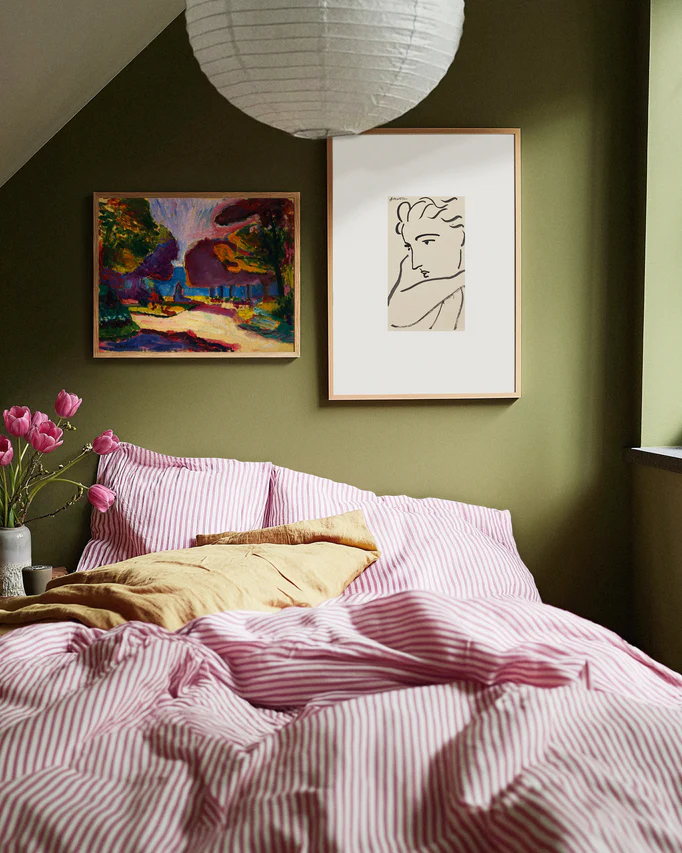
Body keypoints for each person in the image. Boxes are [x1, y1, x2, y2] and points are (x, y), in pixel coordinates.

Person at [388, 196, 465, 331]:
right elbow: (396, 315)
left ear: (460, 237)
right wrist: (460, 279)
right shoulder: (408, 266)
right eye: (409, 247)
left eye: (426, 242)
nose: (415, 263)